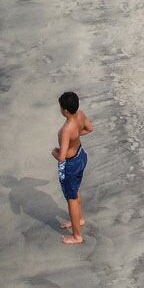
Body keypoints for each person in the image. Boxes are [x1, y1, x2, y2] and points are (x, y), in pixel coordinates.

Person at [53, 92, 93, 245]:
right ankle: (79, 219)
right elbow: (90, 128)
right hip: (81, 156)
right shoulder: (80, 115)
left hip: (70, 165)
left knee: (71, 199)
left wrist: (54, 152)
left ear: (65, 111)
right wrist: (75, 137)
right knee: (75, 191)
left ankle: (77, 236)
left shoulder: (66, 130)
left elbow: (62, 157)